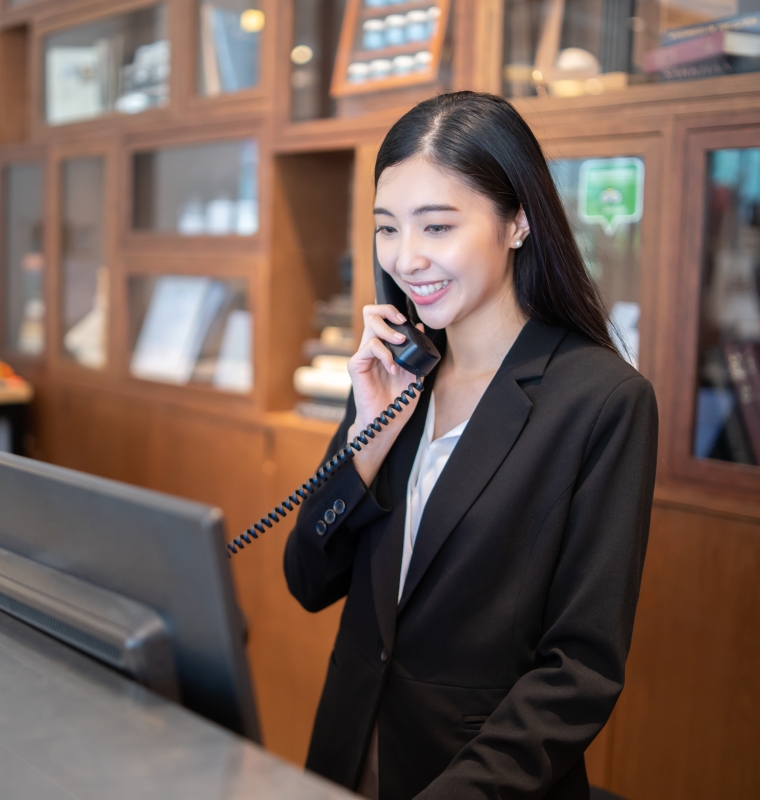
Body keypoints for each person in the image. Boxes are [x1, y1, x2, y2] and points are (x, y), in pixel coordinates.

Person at [283, 91, 659, 800]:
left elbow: (578, 670)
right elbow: (308, 578)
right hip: (347, 758)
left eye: (437, 226)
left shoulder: (601, 402)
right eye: (387, 228)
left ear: (518, 220)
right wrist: (368, 438)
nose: (406, 258)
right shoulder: (397, 373)